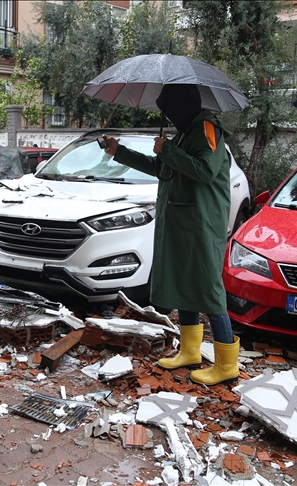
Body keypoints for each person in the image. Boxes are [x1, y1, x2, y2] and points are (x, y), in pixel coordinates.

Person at [100, 84, 239, 386]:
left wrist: (170, 150)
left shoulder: (207, 129)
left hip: (201, 223)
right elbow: (162, 167)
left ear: (182, 106)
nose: (167, 115)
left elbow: (205, 171)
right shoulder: (188, 131)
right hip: (182, 221)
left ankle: (227, 363)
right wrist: (118, 151)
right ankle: (190, 351)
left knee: (208, 288)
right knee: (184, 282)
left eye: (169, 109)